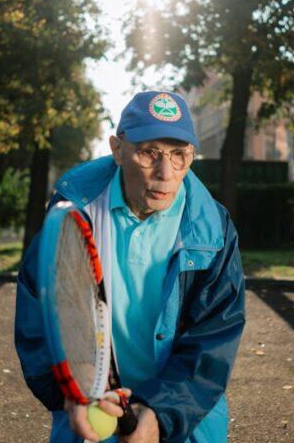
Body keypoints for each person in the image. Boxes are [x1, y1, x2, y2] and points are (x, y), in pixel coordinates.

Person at [15, 90, 246, 442]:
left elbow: (214, 338)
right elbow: (39, 313)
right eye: (149, 152)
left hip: (184, 413)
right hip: (94, 411)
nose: (165, 173)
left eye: (179, 155)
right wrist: (72, 389)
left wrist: (160, 413)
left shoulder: (213, 227)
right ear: (118, 149)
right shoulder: (76, 209)